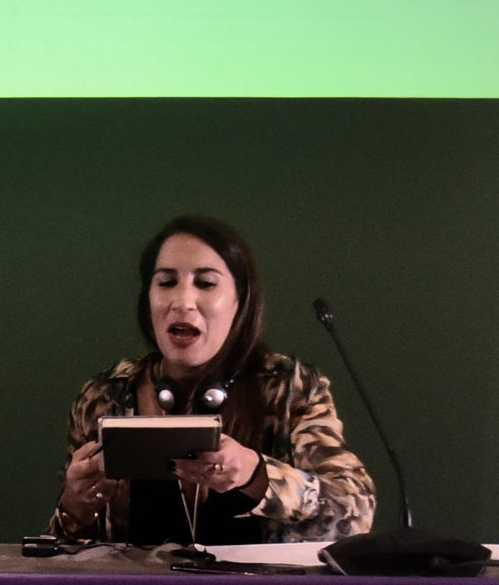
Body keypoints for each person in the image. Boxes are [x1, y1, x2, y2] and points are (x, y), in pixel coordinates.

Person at [51, 214, 373, 547]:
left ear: (240, 301)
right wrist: (75, 505)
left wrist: (256, 474)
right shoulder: (103, 397)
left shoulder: (291, 391)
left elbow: (356, 512)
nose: (182, 302)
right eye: (166, 282)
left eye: (205, 283)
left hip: (258, 584)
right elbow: (60, 555)